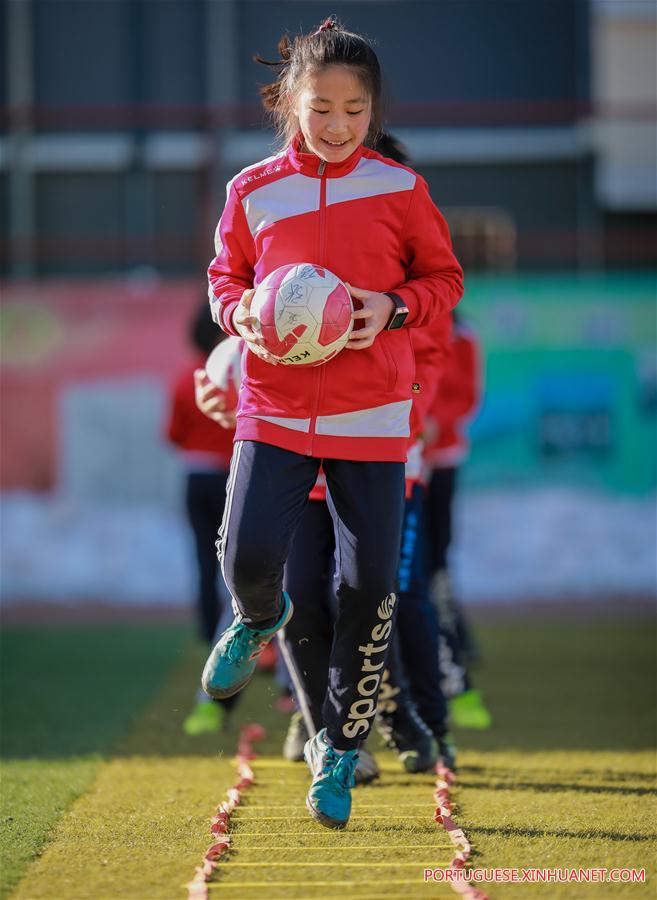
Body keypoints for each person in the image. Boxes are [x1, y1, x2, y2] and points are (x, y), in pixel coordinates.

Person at [203, 16, 463, 829]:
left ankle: (338, 754)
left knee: (368, 588)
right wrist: (239, 311)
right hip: (273, 405)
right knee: (248, 553)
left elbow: (443, 280)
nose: (338, 125)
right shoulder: (250, 190)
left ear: (373, 111)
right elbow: (224, 277)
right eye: (320, 108)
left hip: (373, 414)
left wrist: (391, 307)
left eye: (355, 110)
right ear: (290, 102)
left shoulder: (400, 189)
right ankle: (256, 619)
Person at [165, 301, 235, 735]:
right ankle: (240, 639)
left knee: (203, 560)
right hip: (235, 472)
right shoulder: (242, 370)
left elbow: (172, 434)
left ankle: (210, 632)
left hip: (197, 475)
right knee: (239, 562)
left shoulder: (185, 375)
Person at [423, 312, 492, 729]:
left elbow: (464, 395)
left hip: (439, 460)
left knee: (434, 560)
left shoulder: (461, 335)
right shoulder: (391, 316)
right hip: (398, 461)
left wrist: (434, 423)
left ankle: (453, 646)